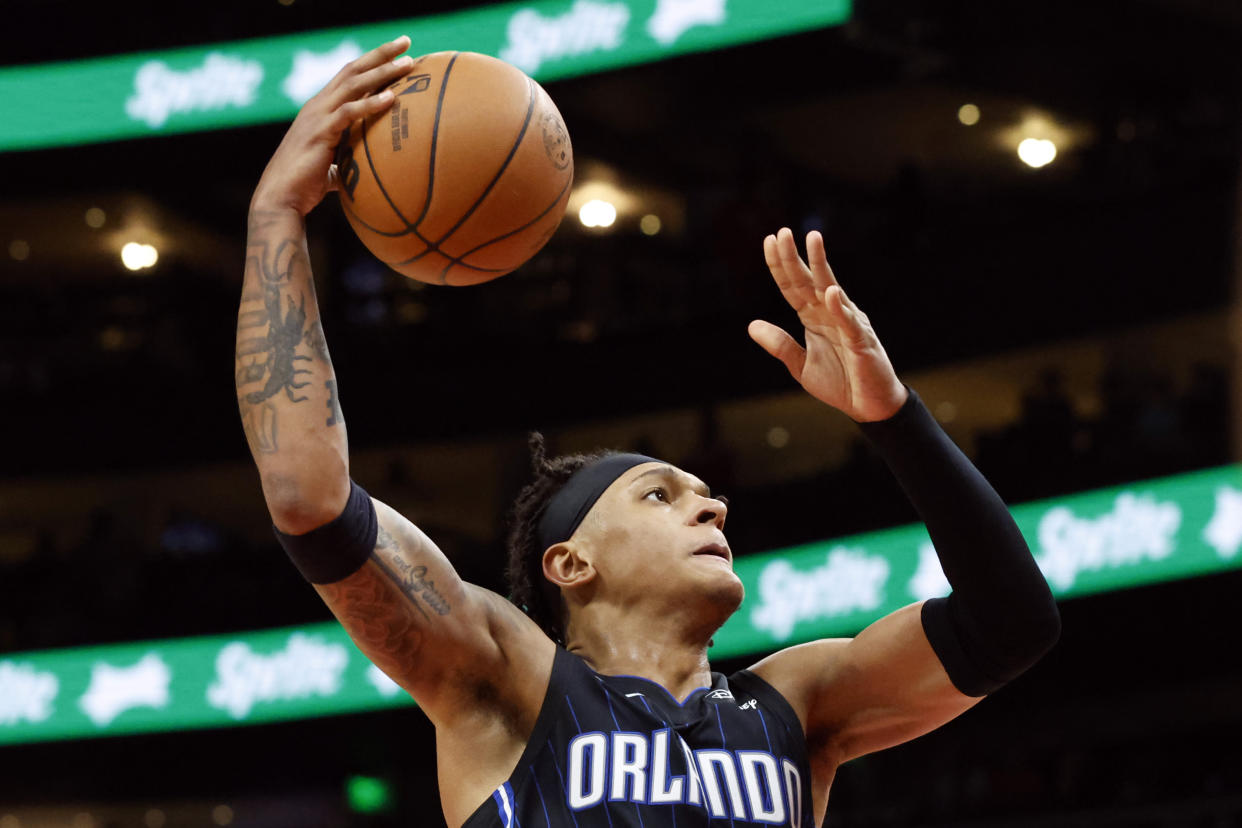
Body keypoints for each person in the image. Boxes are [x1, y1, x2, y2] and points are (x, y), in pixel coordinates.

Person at [234, 37, 1061, 828]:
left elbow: (1013, 623)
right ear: (571, 562)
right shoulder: (509, 682)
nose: (714, 511)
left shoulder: (797, 704)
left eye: (705, 495)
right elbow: (311, 499)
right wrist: (276, 213)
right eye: (660, 495)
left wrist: (895, 419)